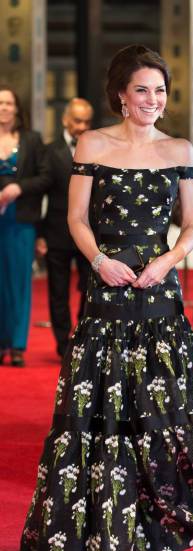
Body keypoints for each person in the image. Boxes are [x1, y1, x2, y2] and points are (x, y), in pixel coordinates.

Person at [20, 45, 193, 551]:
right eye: (142, 90)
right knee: (103, 414)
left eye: (160, 90)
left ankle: (153, 531)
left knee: (158, 410)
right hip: (108, 294)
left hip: (159, 295)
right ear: (120, 95)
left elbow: (192, 225)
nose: (152, 100)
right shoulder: (93, 143)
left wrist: (167, 262)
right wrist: (101, 261)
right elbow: (76, 218)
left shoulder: (179, 147)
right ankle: (98, 531)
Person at [36, 98, 94, 359]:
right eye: (77, 121)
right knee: (57, 291)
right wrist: (39, 233)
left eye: (86, 121)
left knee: (89, 287)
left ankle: (82, 336)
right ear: (65, 120)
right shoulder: (49, 151)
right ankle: (62, 343)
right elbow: (39, 194)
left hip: (89, 233)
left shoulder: (97, 148)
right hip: (56, 231)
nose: (82, 126)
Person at [0, 86, 50, 367]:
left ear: (17, 108)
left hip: (21, 222)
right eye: (0, 103)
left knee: (19, 284)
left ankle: (17, 345)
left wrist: (19, 187)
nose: (4, 107)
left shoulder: (32, 140)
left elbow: (45, 177)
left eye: (9, 103)